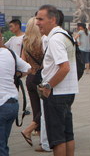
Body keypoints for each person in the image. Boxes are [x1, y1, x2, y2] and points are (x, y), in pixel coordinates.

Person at [35, 4, 79, 156]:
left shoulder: (54, 39)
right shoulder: (65, 35)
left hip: (56, 93)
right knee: (68, 134)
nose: (37, 22)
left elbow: (64, 67)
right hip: (68, 91)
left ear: (53, 20)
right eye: (36, 19)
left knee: (57, 138)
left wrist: (48, 86)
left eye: (41, 19)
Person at [0, 32, 31, 156]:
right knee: (3, 143)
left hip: (1, 105)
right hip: (12, 104)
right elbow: (28, 68)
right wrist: (17, 74)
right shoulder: (11, 54)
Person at [20, 17, 44, 147]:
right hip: (41, 78)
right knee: (45, 108)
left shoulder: (25, 41)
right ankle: (29, 130)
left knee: (36, 109)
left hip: (30, 78)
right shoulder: (42, 42)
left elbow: (23, 62)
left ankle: (40, 139)